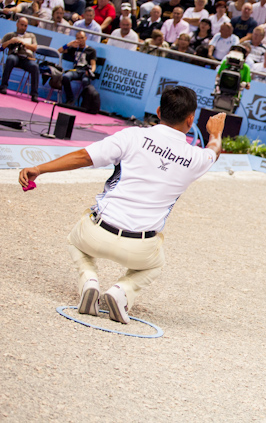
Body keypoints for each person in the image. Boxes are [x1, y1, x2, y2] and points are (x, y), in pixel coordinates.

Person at [18, 88, 224, 324]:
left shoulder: (132, 136)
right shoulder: (195, 158)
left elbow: (85, 157)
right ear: (190, 119)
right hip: (140, 246)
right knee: (155, 265)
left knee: (74, 241)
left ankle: (89, 281)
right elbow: (213, 151)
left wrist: (40, 169)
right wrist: (215, 133)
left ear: (158, 112)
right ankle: (121, 292)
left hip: (97, 233)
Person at [0, 17, 39, 102]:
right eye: (22, 25)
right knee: (10, 59)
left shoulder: (31, 36)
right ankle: (3, 86)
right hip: (15, 56)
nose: (23, 27)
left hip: (26, 59)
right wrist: (10, 41)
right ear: (17, 24)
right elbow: (1, 47)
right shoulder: (10, 35)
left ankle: (34, 94)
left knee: (35, 67)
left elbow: (35, 48)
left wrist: (24, 43)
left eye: (25, 26)